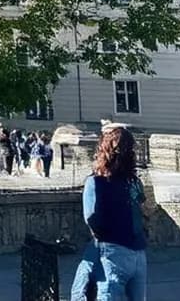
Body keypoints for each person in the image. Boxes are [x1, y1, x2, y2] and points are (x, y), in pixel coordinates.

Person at [75, 126, 148, 301]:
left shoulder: (96, 182)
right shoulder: (135, 182)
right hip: (138, 251)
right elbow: (143, 210)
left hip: (112, 251)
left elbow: (91, 219)